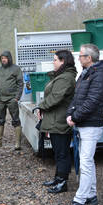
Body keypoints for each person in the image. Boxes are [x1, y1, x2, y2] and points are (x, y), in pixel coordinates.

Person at [65, 44, 103, 205]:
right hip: (84, 123)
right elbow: (77, 98)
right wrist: (70, 113)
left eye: (81, 55)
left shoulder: (100, 76)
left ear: (89, 58)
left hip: (92, 125)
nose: (78, 58)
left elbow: (92, 102)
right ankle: (91, 194)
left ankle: (80, 200)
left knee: (84, 161)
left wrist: (75, 117)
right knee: (88, 160)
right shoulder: (86, 74)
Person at [36, 50, 77, 194]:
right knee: (58, 152)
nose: (53, 62)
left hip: (59, 120)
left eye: (55, 60)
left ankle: (62, 182)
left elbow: (55, 97)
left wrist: (41, 106)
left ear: (63, 61)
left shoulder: (66, 78)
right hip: (55, 119)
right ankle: (58, 177)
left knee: (62, 152)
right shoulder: (61, 76)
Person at [0, 50, 24, 150]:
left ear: (9, 58)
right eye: (2, 58)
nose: (3, 60)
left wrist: (17, 97)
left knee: (16, 120)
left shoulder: (16, 69)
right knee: (0, 120)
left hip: (12, 99)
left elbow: (20, 83)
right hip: (0, 99)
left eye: (5, 58)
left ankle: (18, 143)